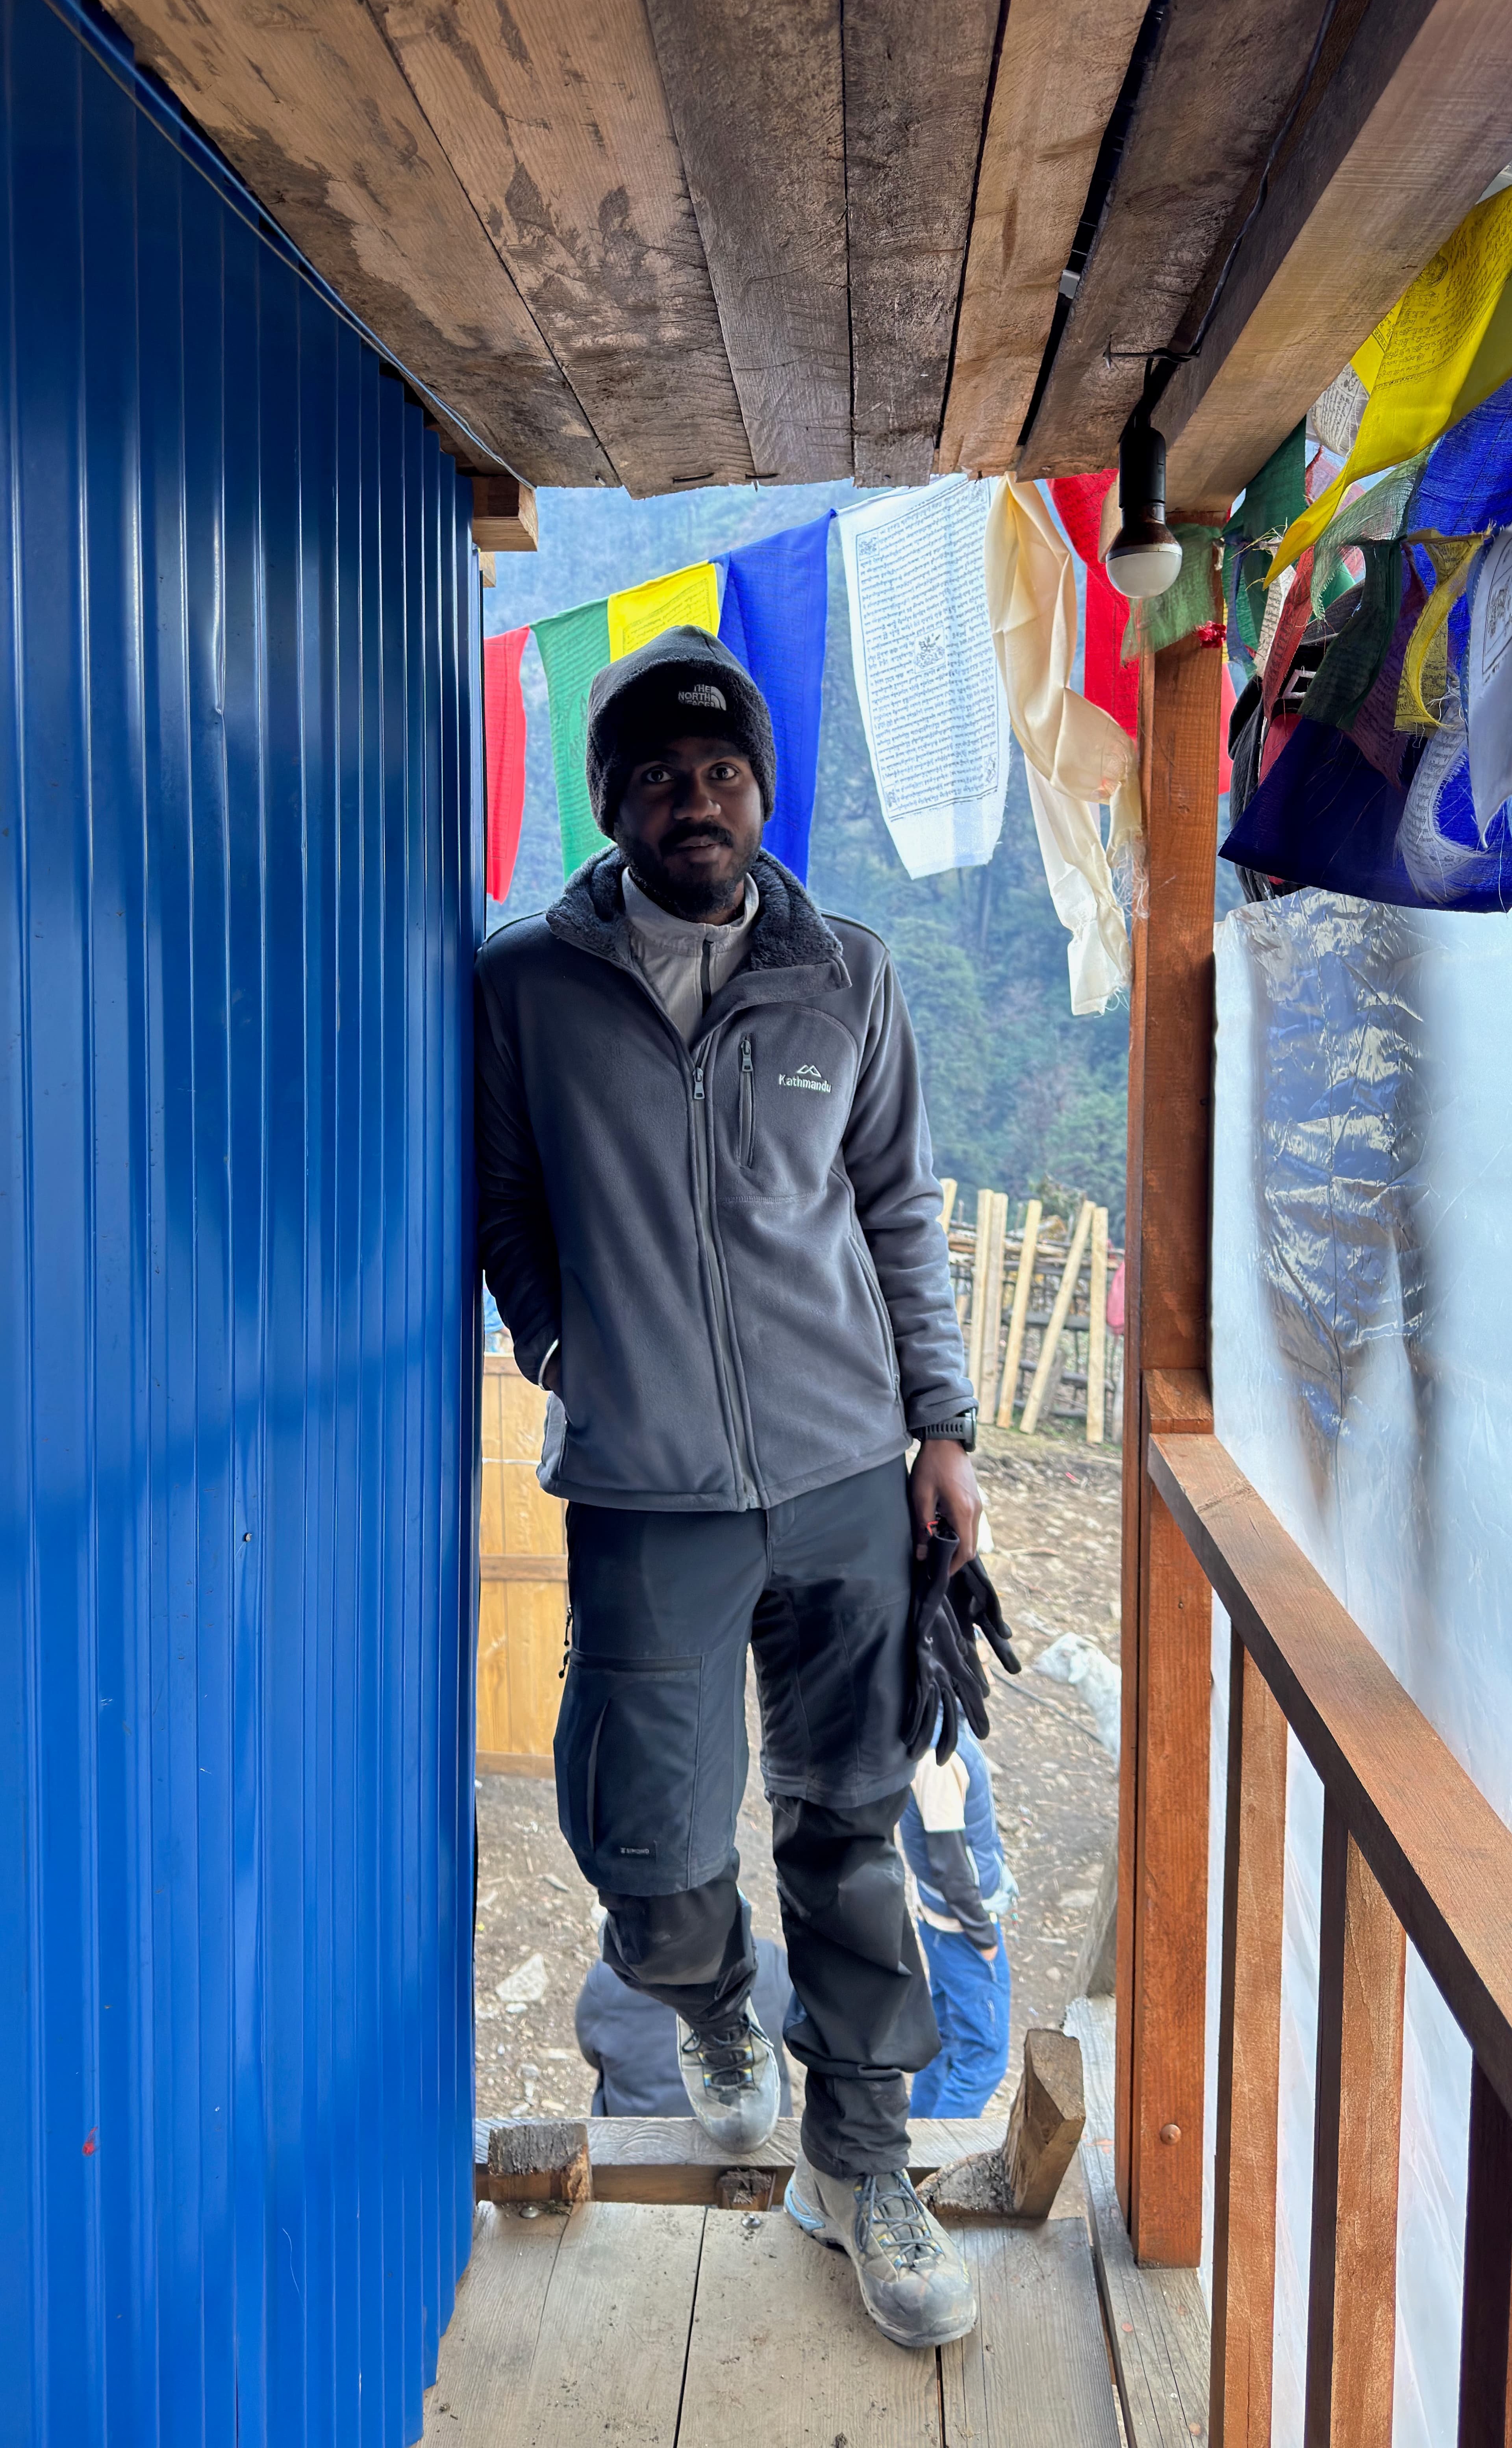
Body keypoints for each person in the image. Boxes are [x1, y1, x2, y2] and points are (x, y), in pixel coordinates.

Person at [474, 625, 983, 2349]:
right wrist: (564, 1355)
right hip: (646, 1491)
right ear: (611, 797)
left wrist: (946, 1435)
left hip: (848, 1476)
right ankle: (711, 2008)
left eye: (724, 771)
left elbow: (901, 1210)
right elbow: (503, 1208)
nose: (697, 798)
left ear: (760, 792)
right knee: (647, 1854)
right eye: (661, 773)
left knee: (848, 1830)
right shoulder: (526, 988)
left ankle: (862, 2164)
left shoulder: (846, 974)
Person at [901, 1721, 1017, 2118]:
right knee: (984, 2057)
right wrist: (983, 1934)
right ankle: (937, 2166)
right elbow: (949, 1862)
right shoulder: (940, 1756)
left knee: (948, 2039)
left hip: (946, 1922)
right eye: (975, 1658)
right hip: (960, 1929)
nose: (984, 1668)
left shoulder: (940, 1727)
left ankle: (919, 2148)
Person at [576, 1927, 795, 2120]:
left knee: (610, 2075)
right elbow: (796, 2030)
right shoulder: (769, 1960)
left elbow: (592, 2053)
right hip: (758, 2148)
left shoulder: (607, 1978)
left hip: (637, 2153)